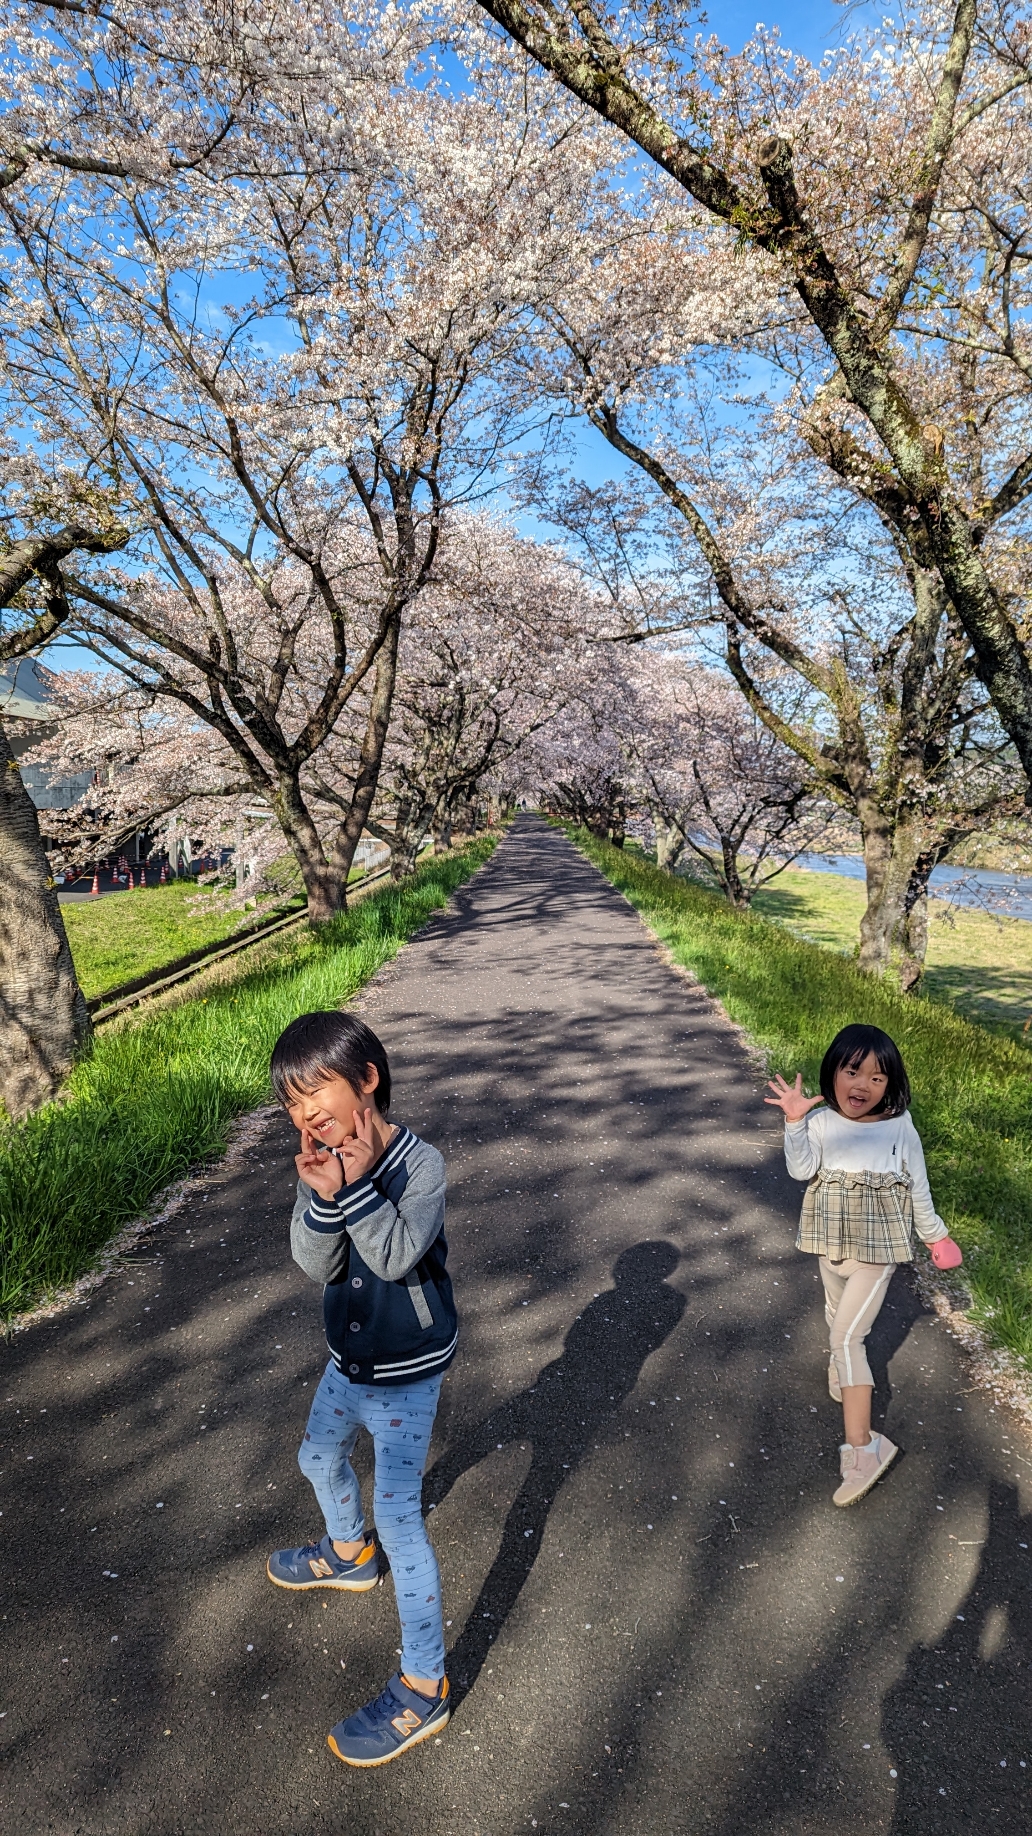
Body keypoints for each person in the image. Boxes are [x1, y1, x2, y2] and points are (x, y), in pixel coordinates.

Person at [266, 1009, 457, 1766]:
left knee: (401, 1517)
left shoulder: (422, 1164)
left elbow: (394, 1255)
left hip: (408, 1367)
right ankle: (348, 1554)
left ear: (367, 1081)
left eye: (316, 1092)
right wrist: (321, 1198)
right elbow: (315, 1265)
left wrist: (353, 1190)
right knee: (317, 1456)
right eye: (291, 1103)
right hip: (347, 1357)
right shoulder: (324, 1162)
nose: (305, 1112)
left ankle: (425, 1687)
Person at [765, 1023, 963, 1507]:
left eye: (877, 1078)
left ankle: (865, 1448)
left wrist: (935, 1235)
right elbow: (801, 1170)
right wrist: (794, 1123)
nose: (862, 1085)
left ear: (890, 1085)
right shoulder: (820, 1122)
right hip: (830, 1243)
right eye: (853, 1071)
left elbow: (917, 1185)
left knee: (846, 1338)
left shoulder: (900, 1126)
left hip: (877, 1251)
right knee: (836, 1314)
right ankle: (844, 1367)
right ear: (833, 1071)